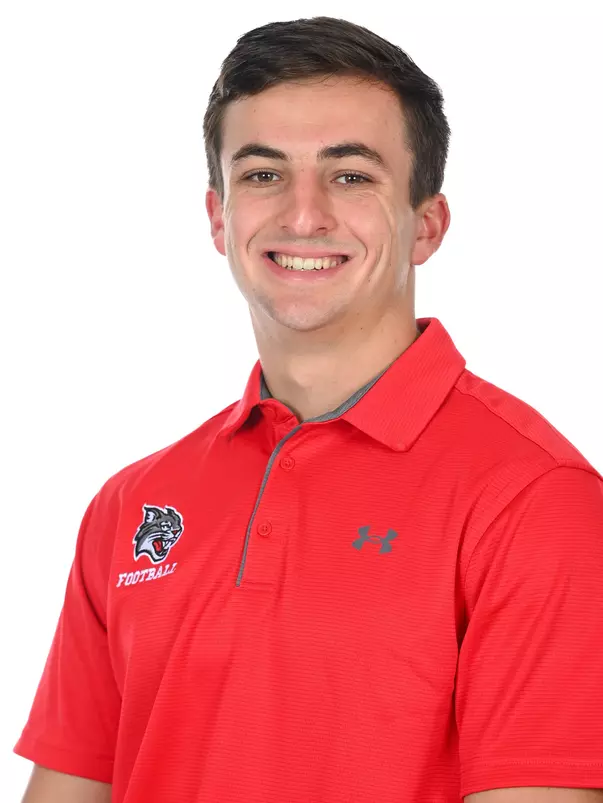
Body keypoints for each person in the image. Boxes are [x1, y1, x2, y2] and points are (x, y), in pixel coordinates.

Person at [14, 16, 603, 803]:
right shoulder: (131, 506)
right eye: (263, 174)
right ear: (219, 218)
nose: (302, 214)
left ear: (426, 225)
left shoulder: (534, 501)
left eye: (350, 176)